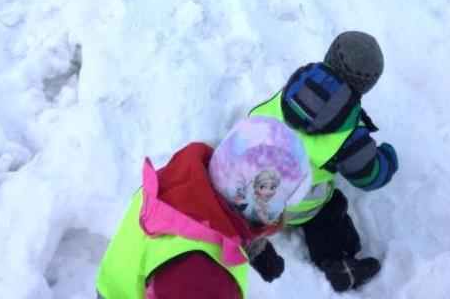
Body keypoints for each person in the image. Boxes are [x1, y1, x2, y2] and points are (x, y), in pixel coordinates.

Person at [96, 115, 310, 299]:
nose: (282, 212)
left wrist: (247, 244)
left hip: (118, 281)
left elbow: (208, 224)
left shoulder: (181, 185)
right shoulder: (199, 280)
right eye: (283, 201)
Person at [249, 31, 398, 292]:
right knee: (329, 209)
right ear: (366, 85)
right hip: (280, 204)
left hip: (242, 172)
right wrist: (387, 158)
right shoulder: (349, 133)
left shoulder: (298, 85)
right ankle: (338, 261)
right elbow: (370, 175)